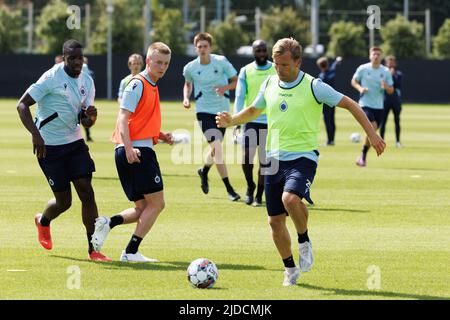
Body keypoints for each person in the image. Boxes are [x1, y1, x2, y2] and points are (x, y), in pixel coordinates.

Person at [216, 38, 386, 286]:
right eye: (276, 64)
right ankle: (290, 269)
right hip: (273, 157)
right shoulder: (270, 81)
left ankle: (304, 239)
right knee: (274, 221)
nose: (278, 69)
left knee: (290, 199)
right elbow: (254, 109)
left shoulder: (314, 86)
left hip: (303, 157)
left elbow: (350, 104)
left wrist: (372, 134)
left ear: (297, 62)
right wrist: (232, 120)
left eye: (284, 65)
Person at [16, 39, 111, 262]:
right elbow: (22, 105)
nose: (77, 62)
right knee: (64, 202)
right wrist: (35, 135)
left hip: (75, 143)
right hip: (49, 147)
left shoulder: (87, 81)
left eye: (80, 58)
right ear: (64, 57)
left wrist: (90, 117)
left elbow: (84, 120)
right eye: (72, 58)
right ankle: (43, 221)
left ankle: (93, 248)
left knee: (86, 191)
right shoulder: (51, 77)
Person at [91, 42, 174, 262]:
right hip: (137, 152)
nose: (162, 67)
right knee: (157, 204)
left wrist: (162, 135)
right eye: (158, 62)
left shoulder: (151, 84)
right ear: (148, 61)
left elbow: (140, 120)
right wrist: (129, 148)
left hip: (133, 149)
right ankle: (130, 252)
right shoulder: (138, 83)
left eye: (166, 63)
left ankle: (108, 223)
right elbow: (122, 117)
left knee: (142, 208)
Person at [182, 32, 240, 202]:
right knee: (218, 148)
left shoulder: (221, 62)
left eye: (205, 46)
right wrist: (186, 98)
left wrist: (225, 88)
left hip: (222, 110)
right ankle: (229, 189)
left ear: (210, 47)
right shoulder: (190, 67)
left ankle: (204, 171)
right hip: (203, 111)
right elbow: (187, 84)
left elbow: (236, 81)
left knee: (216, 149)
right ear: (196, 48)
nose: (202, 49)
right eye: (199, 47)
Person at [234, 40, 276, 206]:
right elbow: (239, 96)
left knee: (265, 161)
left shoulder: (274, 68)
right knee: (246, 158)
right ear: (253, 52)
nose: (261, 53)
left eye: (263, 50)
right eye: (258, 50)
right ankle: (250, 186)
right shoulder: (246, 70)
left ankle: (259, 194)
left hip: (270, 122)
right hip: (250, 120)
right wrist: (237, 119)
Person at [351, 46, 394, 167]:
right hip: (365, 104)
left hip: (379, 107)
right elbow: (353, 81)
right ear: (370, 55)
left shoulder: (385, 71)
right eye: (374, 54)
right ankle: (363, 157)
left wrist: (386, 87)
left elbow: (391, 90)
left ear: (381, 57)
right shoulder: (363, 68)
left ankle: (362, 157)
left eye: (378, 54)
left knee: (371, 131)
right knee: (372, 126)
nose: (376, 56)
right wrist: (360, 88)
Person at [316, 56, 342, 146]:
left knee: (327, 121)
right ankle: (332, 140)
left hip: (325, 101)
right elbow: (334, 66)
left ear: (319, 66)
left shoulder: (321, 76)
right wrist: (337, 60)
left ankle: (329, 141)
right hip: (333, 100)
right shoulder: (332, 72)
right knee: (332, 120)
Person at [380, 55, 403, 148]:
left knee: (397, 121)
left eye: (392, 61)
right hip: (385, 100)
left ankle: (397, 141)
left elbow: (398, 85)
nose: (390, 63)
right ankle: (381, 141)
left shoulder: (399, 74)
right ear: (385, 63)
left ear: (395, 63)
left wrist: (392, 75)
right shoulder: (382, 73)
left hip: (395, 101)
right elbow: (381, 84)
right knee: (383, 121)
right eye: (388, 62)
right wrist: (388, 75)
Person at [82, 56, 95, 142]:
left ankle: (88, 136)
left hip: (80, 97)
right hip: (83, 98)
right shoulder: (84, 67)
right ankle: (88, 136)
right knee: (84, 118)